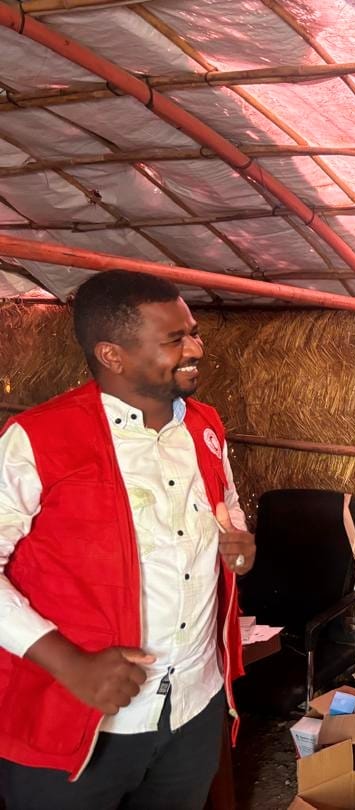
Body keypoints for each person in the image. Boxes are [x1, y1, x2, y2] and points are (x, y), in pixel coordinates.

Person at [0, 270, 255, 810]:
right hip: (78, 716)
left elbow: (226, 505)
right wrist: (69, 664)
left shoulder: (205, 426)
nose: (196, 349)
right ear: (112, 355)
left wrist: (237, 540)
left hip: (192, 705)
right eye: (174, 339)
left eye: (193, 332)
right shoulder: (38, 440)